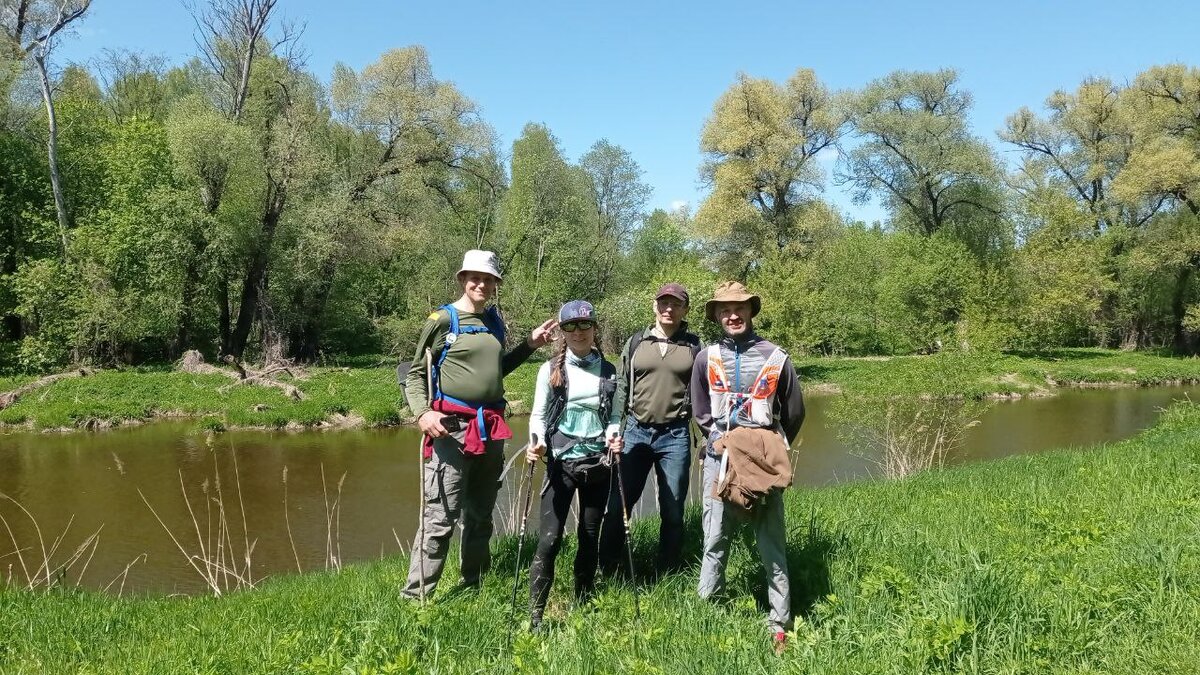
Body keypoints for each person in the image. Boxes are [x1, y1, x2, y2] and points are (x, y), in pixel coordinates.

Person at [402, 250, 556, 600]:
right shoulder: (443, 320)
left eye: (488, 279)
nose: (481, 284)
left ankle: (474, 584)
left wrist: (529, 345)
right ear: (462, 279)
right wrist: (422, 414)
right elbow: (414, 374)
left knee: (480, 515)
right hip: (450, 431)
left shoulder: (494, 322)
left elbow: (498, 370)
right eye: (474, 277)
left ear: (496, 284)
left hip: (490, 428)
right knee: (440, 518)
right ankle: (416, 597)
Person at [690, 280, 805, 654]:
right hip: (719, 459)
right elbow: (701, 410)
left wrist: (769, 445)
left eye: (739, 308)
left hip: (761, 463)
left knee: (771, 544)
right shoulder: (706, 358)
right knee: (715, 537)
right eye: (724, 310)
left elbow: (794, 412)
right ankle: (707, 612)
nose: (732, 315)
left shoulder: (776, 358)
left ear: (751, 311)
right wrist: (717, 440)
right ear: (717, 316)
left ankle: (779, 623)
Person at [524, 300, 621, 629]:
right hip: (561, 463)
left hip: (598, 464)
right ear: (562, 332)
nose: (578, 332)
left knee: (589, 535)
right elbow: (538, 415)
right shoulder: (551, 369)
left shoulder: (609, 371)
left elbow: (615, 416)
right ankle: (536, 615)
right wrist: (535, 440)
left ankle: (584, 599)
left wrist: (614, 436)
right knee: (550, 539)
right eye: (570, 326)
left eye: (584, 325)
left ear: (594, 328)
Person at [600, 283, 703, 574]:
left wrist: (708, 432)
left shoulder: (694, 347)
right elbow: (621, 386)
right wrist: (614, 427)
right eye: (663, 303)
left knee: (672, 507)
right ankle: (608, 565)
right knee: (620, 501)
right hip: (636, 431)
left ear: (685, 310)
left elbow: (704, 391)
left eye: (676, 304)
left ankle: (668, 569)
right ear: (654, 306)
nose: (668, 309)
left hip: (676, 435)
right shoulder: (636, 343)